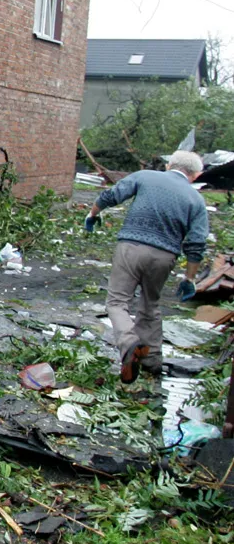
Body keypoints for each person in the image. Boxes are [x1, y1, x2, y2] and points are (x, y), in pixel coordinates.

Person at [85, 150, 208, 382]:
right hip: (165, 256)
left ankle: (129, 343)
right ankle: (152, 360)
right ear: (195, 175)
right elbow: (196, 243)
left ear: (169, 165)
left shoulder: (145, 176)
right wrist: (189, 278)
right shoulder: (196, 200)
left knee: (117, 302)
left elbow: (111, 195)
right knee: (150, 305)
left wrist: (93, 214)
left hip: (130, 248)